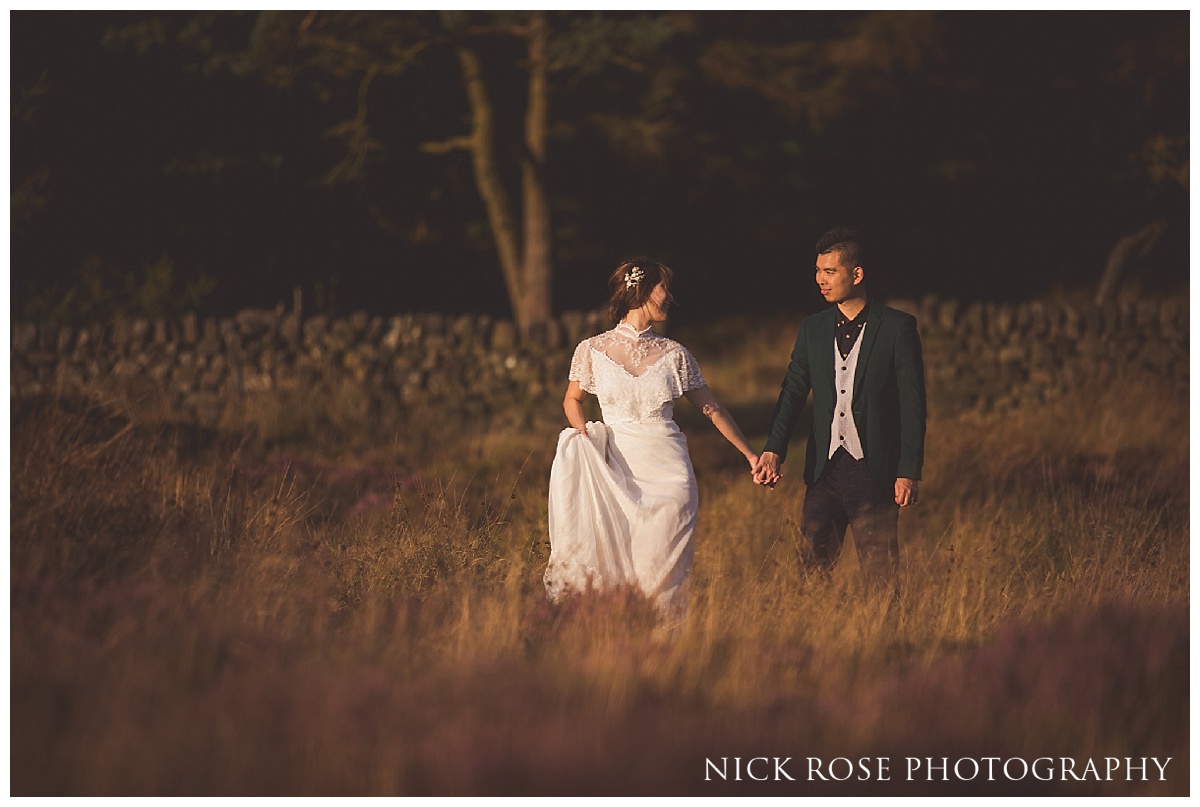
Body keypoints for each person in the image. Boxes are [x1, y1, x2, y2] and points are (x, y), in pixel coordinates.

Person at [545, 258, 758, 617]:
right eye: (664, 288)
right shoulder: (592, 350)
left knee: (664, 557)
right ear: (641, 291)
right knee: (623, 554)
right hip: (617, 469)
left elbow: (712, 408)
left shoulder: (675, 354)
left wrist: (750, 455)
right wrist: (581, 430)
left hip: (669, 471)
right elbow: (572, 399)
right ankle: (624, 628)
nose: (669, 297)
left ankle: (665, 638)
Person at [752, 228, 926, 593]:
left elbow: (913, 405)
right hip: (824, 471)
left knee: (881, 574)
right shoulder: (812, 329)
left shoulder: (897, 327)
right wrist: (774, 449)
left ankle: (887, 641)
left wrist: (907, 470)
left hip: (874, 470)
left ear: (856, 274)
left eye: (829, 271)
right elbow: (793, 392)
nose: (820, 279)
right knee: (809, 570)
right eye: (818, 270)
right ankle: (817, 640)